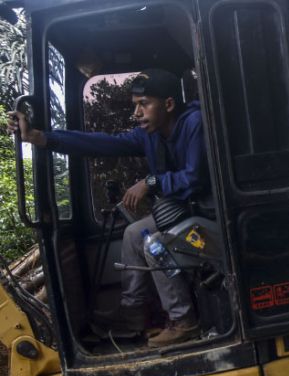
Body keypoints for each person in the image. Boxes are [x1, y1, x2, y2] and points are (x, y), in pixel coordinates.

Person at [8, 69, 207, 347]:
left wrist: (151, 181)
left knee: (154, 246)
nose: (137, 112)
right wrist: (42, 138)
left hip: (205, 215)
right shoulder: (149, 136)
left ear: (169, 104)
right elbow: (102, 143)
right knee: (134, 234)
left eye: (143, 104)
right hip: (181, 215)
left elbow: (196, 178)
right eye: (135, 105)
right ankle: (134, 316)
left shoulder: (195, 123)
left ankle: (184, 321)